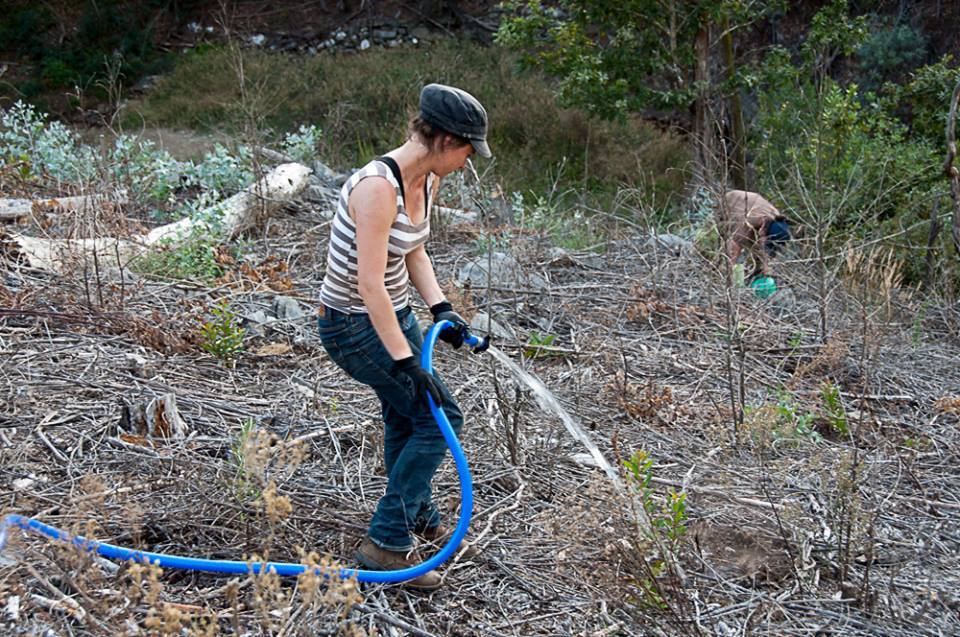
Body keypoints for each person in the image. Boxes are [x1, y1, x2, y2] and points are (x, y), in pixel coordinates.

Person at [317, 83, 490, 591]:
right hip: (352, 324)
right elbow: (368, 284)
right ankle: (385, 544)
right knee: (439, 419)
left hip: (396, 314)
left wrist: (442, 309)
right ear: (443, 140)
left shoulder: (427, 181)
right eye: (466, 151)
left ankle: (415, 512)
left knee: (406, 415)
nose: (468, 163)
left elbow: (414, 251)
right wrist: (406, 361)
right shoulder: (376, 188)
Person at [720, 189, 792, 280]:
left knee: (759, 249)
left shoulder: (778, 223)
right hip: (730, 203)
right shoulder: (749, 221)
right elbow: (735, 246)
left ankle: (757, 272)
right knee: (723, 243)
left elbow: (766, 249)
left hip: (754, 211)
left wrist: (766, 267)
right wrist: (729, 272)